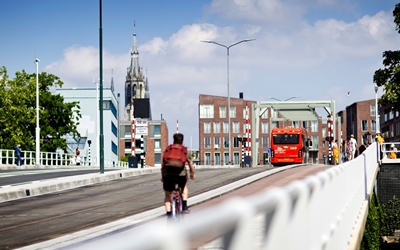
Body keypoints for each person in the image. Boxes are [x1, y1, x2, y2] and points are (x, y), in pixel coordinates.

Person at [161, 133, 195, 217]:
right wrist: (192, 174)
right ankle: (184, 206)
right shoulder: (184, 150)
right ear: (182, 141)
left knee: (167, 195)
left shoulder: (168, 149)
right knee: (184, 187)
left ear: (173, 140)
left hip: (168, 175)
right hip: (181, 175)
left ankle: (169, 215)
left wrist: (163, 177)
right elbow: (191, 165)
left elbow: (163, 165)